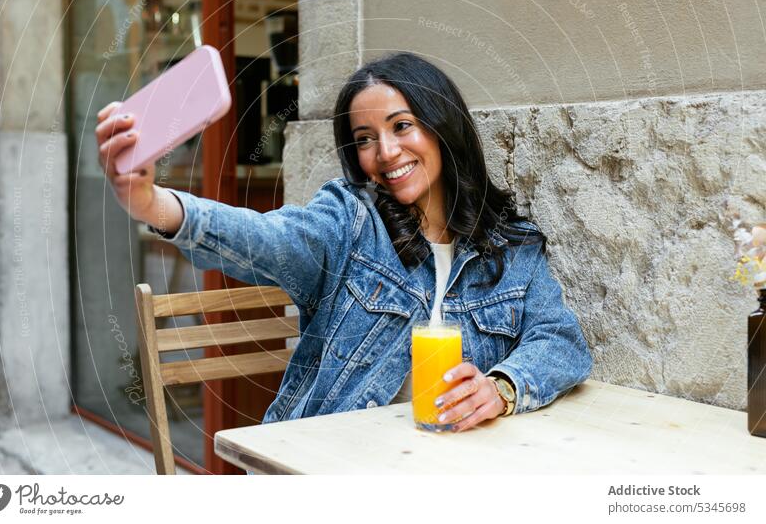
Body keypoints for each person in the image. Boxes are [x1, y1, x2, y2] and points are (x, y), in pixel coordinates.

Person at [94, 51, 592, 432]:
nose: (386, 151)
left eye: (401, 126)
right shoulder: (351, 221)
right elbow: (270, 239)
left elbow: (561, 340)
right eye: (364, 138)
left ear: (442, 127)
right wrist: (152, 203)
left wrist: (502, 388)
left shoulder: (509, 246)